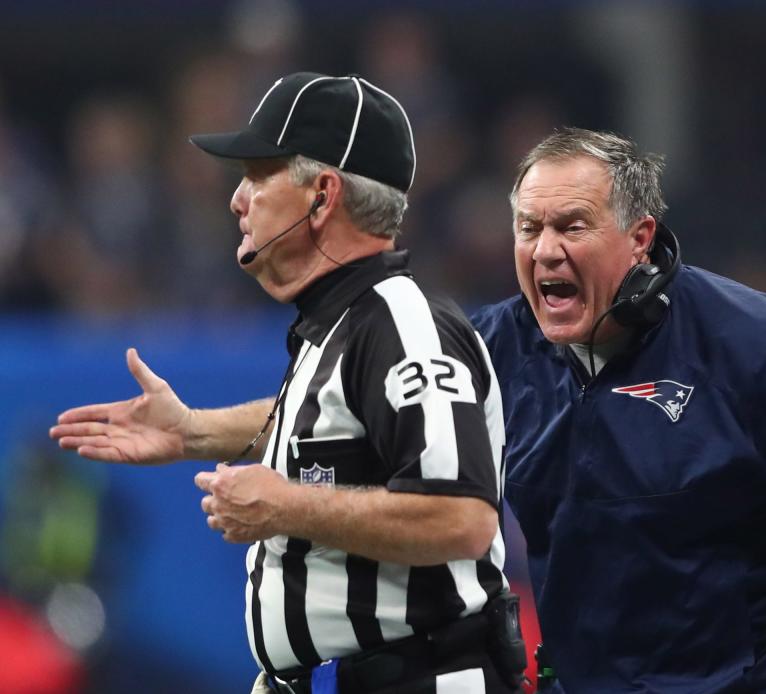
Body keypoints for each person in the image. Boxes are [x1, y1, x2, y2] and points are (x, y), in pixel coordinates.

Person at [50, 72, 525, 694]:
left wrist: (285, 503)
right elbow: (328, 424)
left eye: (257, 176)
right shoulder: (344, 324)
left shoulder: (403, 324)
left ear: (323, 195)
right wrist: (194, 431)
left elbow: (461, 518)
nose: (236, 199)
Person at [470, 127, 766, 692]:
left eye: (573, 226)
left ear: (639, 237)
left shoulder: (759, 346)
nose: (547, 249)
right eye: (530, 228)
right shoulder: (488, 352)